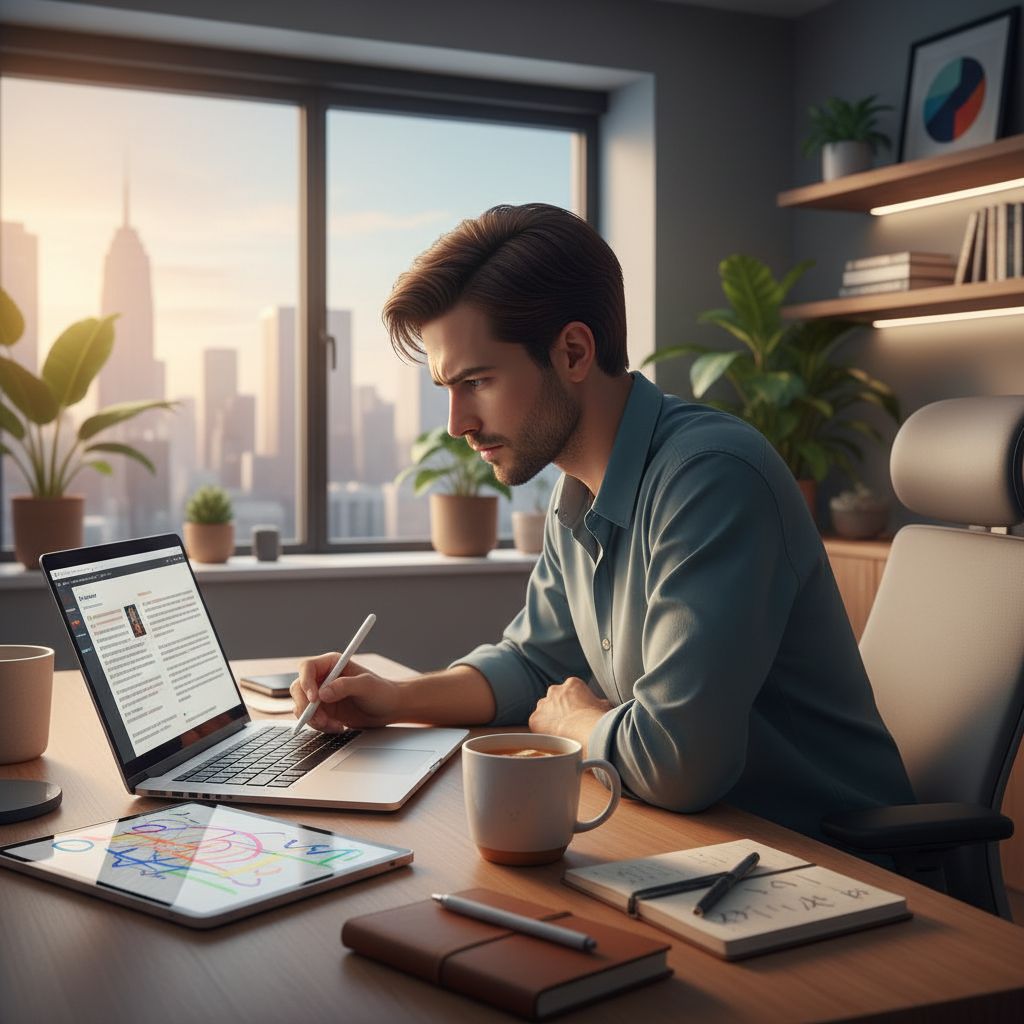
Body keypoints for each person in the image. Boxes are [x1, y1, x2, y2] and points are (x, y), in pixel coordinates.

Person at [291, 203, 914, 842]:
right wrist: (395, 699)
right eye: (448, 387)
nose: (457, 424)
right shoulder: (580, 491)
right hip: (704, 841)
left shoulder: (712, 478)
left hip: (825, 858)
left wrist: (576, 723)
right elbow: (532, 663)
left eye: (476, 381)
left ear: (573, 351)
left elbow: (677, 762)